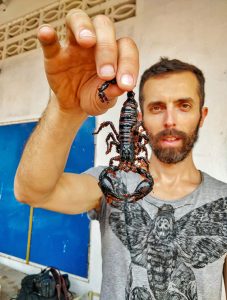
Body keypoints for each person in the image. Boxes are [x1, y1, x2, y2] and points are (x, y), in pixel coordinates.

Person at [14, 9, 227, 300]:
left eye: (183, 105)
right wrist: (65, 110)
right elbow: (32, 192)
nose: (169, 120)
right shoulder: (112, 182)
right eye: (156, 107)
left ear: (202, 116)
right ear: (140, 119)